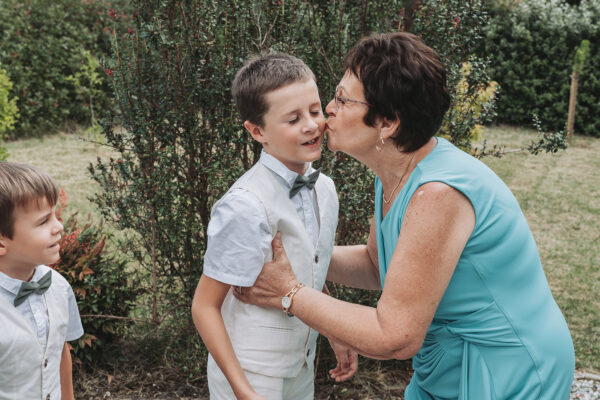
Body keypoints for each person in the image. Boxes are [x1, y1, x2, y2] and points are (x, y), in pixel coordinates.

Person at [234, 32, 576, 399]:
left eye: (342, 100)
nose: (329, 109)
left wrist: (289, 291)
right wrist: (294, 257)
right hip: (446, 363)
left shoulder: (437, 194)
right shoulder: (396, 174)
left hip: (507, 367)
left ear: (387, 123)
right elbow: (375, 265)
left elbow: (394, 337)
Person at [191, 53, 356, 400]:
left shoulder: (324, 189)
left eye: (314, 110)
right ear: (257, 131)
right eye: (293, 119)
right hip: (250, 371)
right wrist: (243, 391)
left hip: (301, 365)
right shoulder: (245, 205)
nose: (311, 125)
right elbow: (204, 307)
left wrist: (333, 331)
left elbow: (307, 266)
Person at [0, 162, 84, 400]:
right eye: (43, 221)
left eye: (55, 215)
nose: (59, 226)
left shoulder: (57, 286)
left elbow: (59, 352)